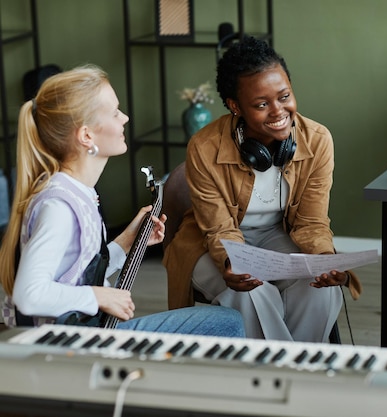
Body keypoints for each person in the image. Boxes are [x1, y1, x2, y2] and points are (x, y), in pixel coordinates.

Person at [0, 64, 245, 338]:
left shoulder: (78, 192)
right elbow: (29, 294)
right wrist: (99, 296)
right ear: (86, 136)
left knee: (226, 320)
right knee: (227, 322)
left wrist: (126, 242)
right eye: (115, 112)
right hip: (69, 348)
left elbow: (79, 271)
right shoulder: (58, 207)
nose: (125, 118)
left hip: (83, 335)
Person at [163, 36, 362, 342]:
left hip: (276, 234)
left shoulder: (317, 140)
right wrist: (232, 262)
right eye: (261, 104)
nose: (278, 110)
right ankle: (281, 377)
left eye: (284, 96)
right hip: (209, 242)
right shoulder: (204, 147)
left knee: (319, 290)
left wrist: (323, 259)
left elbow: (312, 222)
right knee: (252, 295)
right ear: (235, 106)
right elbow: (217, 229)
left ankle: (293, 374)